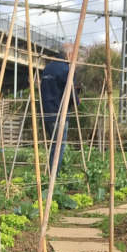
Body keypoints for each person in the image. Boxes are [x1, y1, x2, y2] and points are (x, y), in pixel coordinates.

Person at [40, 43, 77, 178]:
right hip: (59, 113)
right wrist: (77, 102)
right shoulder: (66, 69)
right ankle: (53, 176)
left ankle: (50, 173)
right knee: (59, 146)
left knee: (54, 144)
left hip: (46, 112)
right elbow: (71, 91)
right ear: (69, 54)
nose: (75, 58)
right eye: (75, 54)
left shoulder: (47, 68)